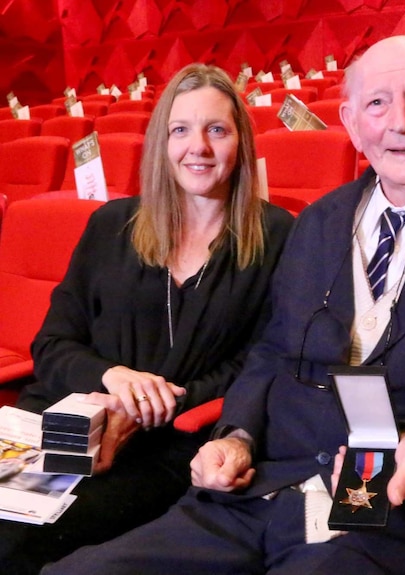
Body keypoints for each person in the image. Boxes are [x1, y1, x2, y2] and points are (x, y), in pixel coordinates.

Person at [42, 35, 405, 575]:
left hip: (398, 513)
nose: (400, 123)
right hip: (263, 490)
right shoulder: (319, 221)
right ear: (351, 123)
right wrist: (238, 436)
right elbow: (272, 351)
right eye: (376, 103)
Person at [0, 64, 293, 574]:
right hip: (68, 425)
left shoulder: (276, 237)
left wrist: (151, 406)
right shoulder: (110, 225)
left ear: (240, 142)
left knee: (18, 546)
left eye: (216, 130)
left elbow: (260, 361)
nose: (197, 147)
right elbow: (53, 342)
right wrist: (112, 378)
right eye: (180, 130)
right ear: (161, 142)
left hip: (170, 443)